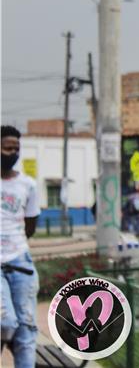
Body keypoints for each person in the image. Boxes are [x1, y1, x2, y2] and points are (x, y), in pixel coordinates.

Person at [1, 125, 41, 368]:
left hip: (20, 262)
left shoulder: (28, 185)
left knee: (26, 332)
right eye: (7, 147)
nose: (13, 152)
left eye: (16, 148)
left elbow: (31, 226)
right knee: (5, 323)